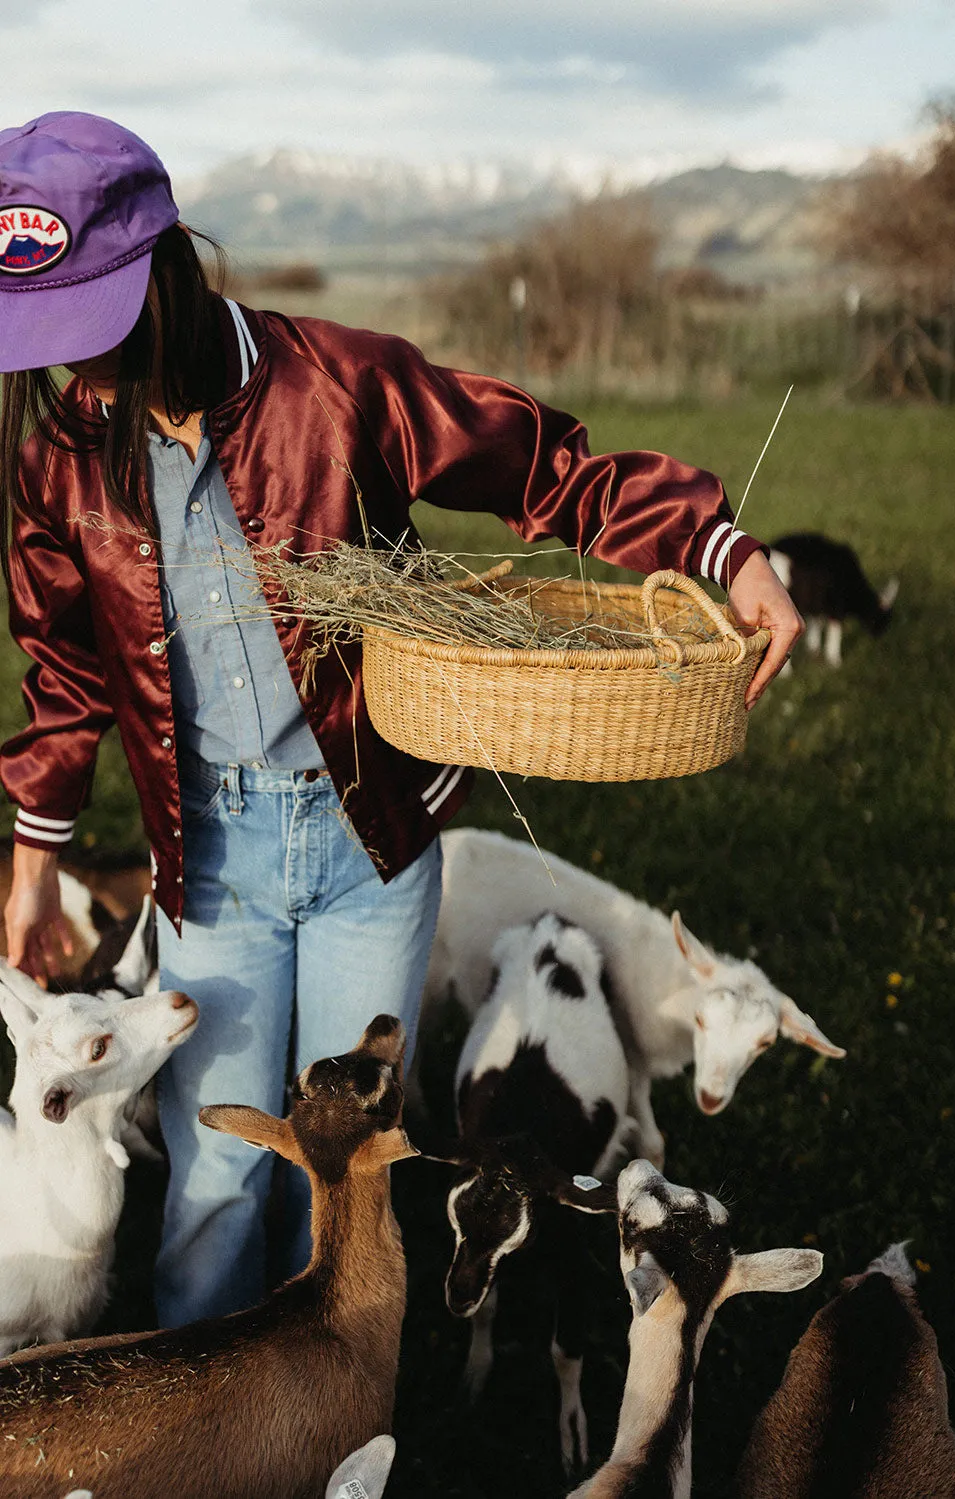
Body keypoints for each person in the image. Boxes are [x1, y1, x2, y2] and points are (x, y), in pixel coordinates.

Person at [0, 112, 803, 1327]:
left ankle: (338, 1399)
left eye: (93, 331)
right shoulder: (65, 451)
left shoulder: (337, 385)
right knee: (216, 1165)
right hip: (206, 865)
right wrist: (30, 861)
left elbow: (545, 466)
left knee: (350, 1158)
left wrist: (718, 544)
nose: (78, 373)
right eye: (48, 342)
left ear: (163, 270)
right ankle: (205, 1422)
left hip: (365, 847)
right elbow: (62, 662)